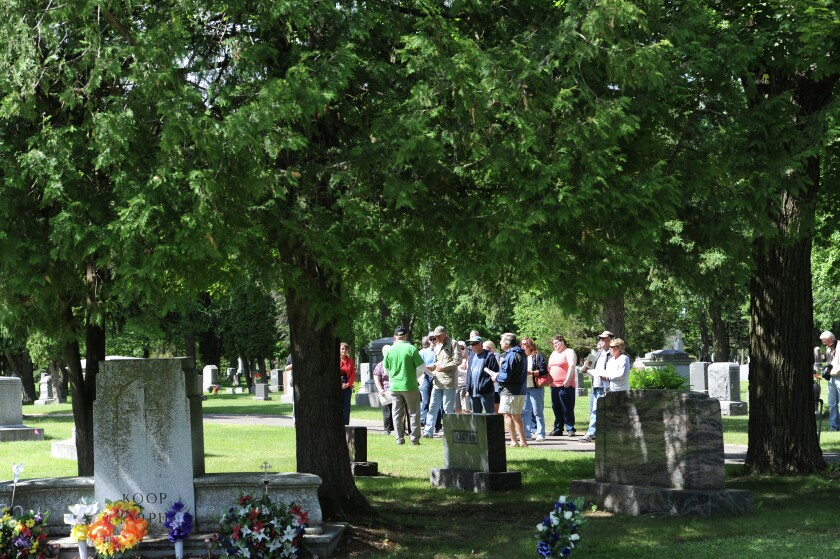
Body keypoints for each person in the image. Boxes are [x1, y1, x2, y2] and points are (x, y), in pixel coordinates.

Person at [383, 326, 426, 445]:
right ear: (406, 336)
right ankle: (414, 439)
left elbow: (386, 370)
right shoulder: (411, 348)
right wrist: (415, 376)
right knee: (414, 412)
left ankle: (399, 439)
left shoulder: (390, 350)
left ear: (395, 337)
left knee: (397, 413)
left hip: (395, 386)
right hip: (410, 385)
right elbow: (422, 367)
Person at [423, 325, 461, 438]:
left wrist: (443, 367)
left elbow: (457, 361)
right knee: (432, 407)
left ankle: (448, 432)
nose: (437, 339)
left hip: (449, 382)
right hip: (437, 381)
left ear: (445, 334)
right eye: (435, 336)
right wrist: (429, 367)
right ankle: (428, 432)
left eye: (439, 336)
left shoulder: (454, 343)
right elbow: (436, 363)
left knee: (447, 408)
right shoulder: (437, 346)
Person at [495, 332, 528, 447]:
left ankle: (514, 441)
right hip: (521, 390)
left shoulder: (510, 355)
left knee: (507, 414)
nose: (500, 342)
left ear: (507, 343)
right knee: (517, 416)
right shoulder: (522, 354)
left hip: (510, 390)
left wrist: (496, 377)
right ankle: (523, 442)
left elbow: (506, 376)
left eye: (502, 340)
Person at [580, 331, 613, 443]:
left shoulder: (612, 354)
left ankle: (590, 434)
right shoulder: (599, 353)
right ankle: (595, 433)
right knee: (592, 410)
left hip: (604, 386)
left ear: (610, 340)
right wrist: (586, 367)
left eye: (604, 339)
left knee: (596, 410)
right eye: (601, 339)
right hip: (595, 384)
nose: (601, 341)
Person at [548, 335, 578, 436]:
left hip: (565, 385)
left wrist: (568, 380)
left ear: (562, 341)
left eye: (556, 343)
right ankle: (558, 428)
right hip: (554, 385)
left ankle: (570, 428)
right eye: (553, 343)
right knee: (555, 407)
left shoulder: (569, 351)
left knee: (567, 407)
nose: (554, 345)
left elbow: (572, 366)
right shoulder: (553, 353)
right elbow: (549, 367)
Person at [520, 337, 548, 441]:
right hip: (524, 388)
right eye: (521, 344)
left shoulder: (537, 356)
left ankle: (540, 433)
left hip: (535, 388)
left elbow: (544, 370)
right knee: (525, 411)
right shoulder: (521, 357)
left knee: (537, 411)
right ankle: (527, 434)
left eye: (525, 344)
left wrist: (530, 373)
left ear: (530, 345)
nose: (522, 346)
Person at [465, 335, 497, 413]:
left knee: (489, 416)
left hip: (486, 392)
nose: (471, 346)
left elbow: (495, 373)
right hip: (473, 392)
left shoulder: (489, 356)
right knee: (476, 417)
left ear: (480, 344)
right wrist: (468, 389)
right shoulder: (471, 356)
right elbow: (469, 373)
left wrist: (485, 385)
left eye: (473, 344)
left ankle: (491, 426)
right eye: (470, 344)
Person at [820, 331, 840, 431]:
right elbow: (829, 361)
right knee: (832, 403)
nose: (824, 343)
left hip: (839, 377)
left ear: (830, 339)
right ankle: (834, 427)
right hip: (831, 378)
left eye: (825, 341)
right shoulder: (828, 348)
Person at [418, 333, 439, 430]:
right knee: (425, 401)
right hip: (427, 377)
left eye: (434, 339)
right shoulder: (423, 352)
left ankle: (437, 424)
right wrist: (420, 378)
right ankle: (424, 422)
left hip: (438, 378)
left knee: (436, 402)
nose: (432, 341)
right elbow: (419, 367)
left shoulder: (440, 351)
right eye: (430, 339)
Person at [372, 344, 394, 435]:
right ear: (383, 353)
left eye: (388, 351)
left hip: (396, 390)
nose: (387, 353)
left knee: (397, 411)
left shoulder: (395, 363)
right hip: (385, 391)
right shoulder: (380, 365)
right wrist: (380, 389)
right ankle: (387, 428)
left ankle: (399, 428)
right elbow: (376, 378)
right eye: (385, 352)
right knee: (387, 411)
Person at [483, 340, 502, 412]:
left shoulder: (497, 357)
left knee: (497, 409)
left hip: (496, 386)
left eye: (485, 349)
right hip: (489, 386)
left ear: (490, 348)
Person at [339, 342, 356, 425]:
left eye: (346, 349)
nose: (344, 350)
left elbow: (353, 373)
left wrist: (348, 384)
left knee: (347, 406)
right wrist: (341, 384)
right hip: (338, 383)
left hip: (347, 384)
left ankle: (346, 424)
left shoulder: (350, 361)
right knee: (338, 405)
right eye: (342, 348)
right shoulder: (336, 360)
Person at [456, 340, 470, 412]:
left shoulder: (468, 359)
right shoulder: (454, 359)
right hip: (455, 386)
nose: (460, 350)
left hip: (464, 386)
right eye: (458, 348)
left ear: (465, 349)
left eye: (462, 348)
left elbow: (469, 373)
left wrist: (459, 370)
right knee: (457, 409)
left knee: (466, 408)